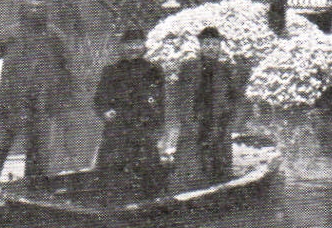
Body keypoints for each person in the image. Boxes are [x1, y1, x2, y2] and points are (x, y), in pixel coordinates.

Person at [0, 0, 73, 185]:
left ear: (47, 9)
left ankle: (35, 189)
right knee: (0, 144)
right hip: (13, 101)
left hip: (43, 102)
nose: (34, 11)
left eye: (39, 7)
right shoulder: (11, 34)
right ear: (22, 8)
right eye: (30, 7)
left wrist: (62, 100)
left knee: (39, 150)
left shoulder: (55, 37)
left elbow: (67, 70)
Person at [172, 26, 245, 186]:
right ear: (200, 46)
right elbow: (181, 97)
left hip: (218, 125)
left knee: (218, 166)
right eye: (206, 44)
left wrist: (228, 120)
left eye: (214, 44)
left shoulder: (225, 69)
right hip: (194, 124)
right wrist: (188, 121)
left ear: (219, 46)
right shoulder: (189, 67)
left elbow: (234, 99)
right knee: (191, 165)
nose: (210, 48)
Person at [93, 27, 166, 184]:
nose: (134, 48)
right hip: (118, 132)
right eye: (129, 44)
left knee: (148, 175)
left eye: (138, 44)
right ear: (122, 46)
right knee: (114, 175)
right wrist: (105, 111)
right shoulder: (111, 71)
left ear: (144, 46)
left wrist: (158, 128)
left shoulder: (154, 71)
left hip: (144, 131)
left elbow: (160, 103)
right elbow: (99, 99)